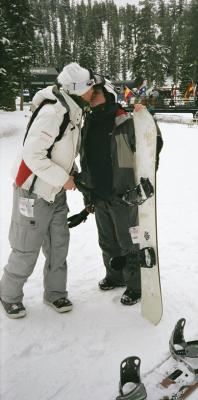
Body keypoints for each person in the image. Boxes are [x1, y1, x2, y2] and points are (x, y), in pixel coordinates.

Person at [0, 62, 95, 318]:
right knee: (26, 246)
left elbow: (60, 151)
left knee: (58, 245)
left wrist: (71, 172)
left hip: (55, 190)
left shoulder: (73, 110)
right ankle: (8, 294)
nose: (92, 92)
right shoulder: (54, 112)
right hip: (32, 191)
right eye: (88, 88)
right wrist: (63, 178)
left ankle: (55, 293)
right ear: (75, 90)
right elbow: (33, 154)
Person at [79, 77, 163, 306]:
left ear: (107, 94)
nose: (90, 97)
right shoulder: (89, 122)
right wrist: (87, 190)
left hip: (123, 192)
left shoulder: (125, 120)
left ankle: (135, 285)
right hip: (98, 191)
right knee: (107, 240)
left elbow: (152, 145)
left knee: (129, 241)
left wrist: (148, 119)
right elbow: (85, 157)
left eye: (95, 93)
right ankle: (114, 276)